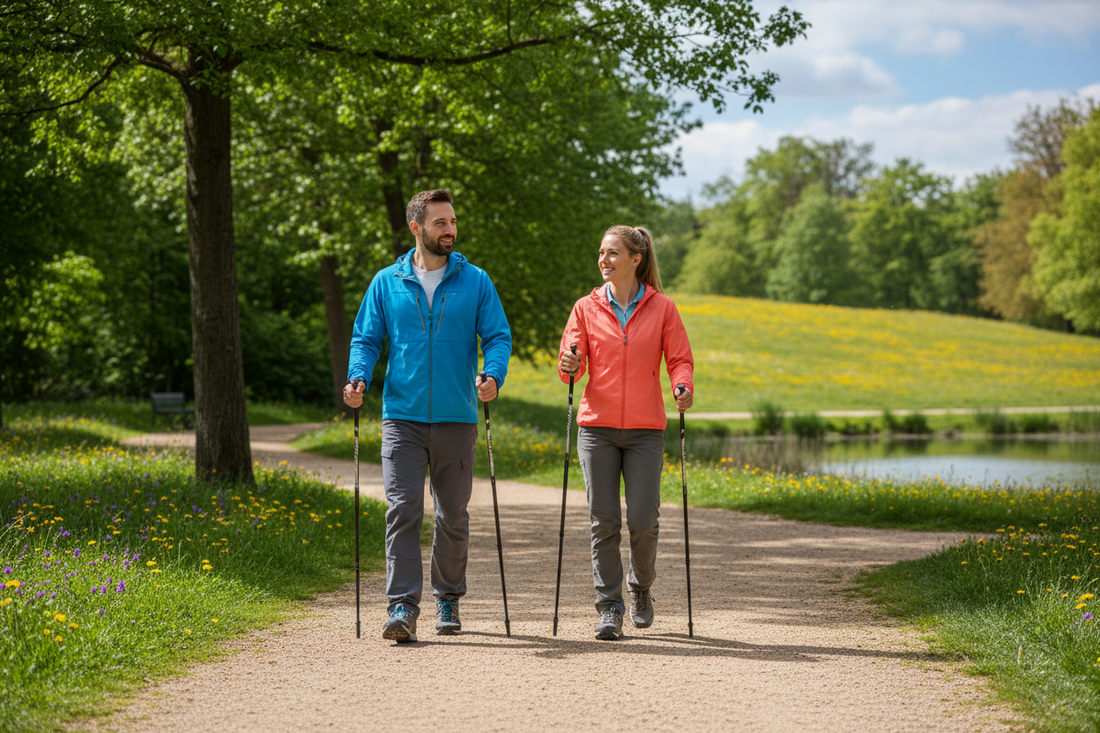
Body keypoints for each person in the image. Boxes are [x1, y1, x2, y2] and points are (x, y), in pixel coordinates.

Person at [344, 188, 511, 643]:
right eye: (440, 222)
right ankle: (401, 607)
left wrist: (493, 373)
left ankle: (448, 597)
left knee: (453, 515)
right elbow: (365, 338)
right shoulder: (387, 282)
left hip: (458, 416)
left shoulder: (476, 280)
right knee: (402, 510)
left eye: (453, 221)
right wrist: (358, 376)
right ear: (416, 228)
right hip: (402, 415)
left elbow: (497, 336)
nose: (450, 229)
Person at [558, 224, 694, 641]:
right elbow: (571, 361)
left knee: (643, 521)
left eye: (613, 253)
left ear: (636, 259)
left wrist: (682, 386)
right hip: (596, 428)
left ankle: (641, 588)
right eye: (601, 253)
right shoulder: (585, 307)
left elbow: (680, 358)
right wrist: (568, 364)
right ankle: (609, 607)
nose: (604, 260)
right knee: (603, 522)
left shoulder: (663, 308)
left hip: (644, 431)